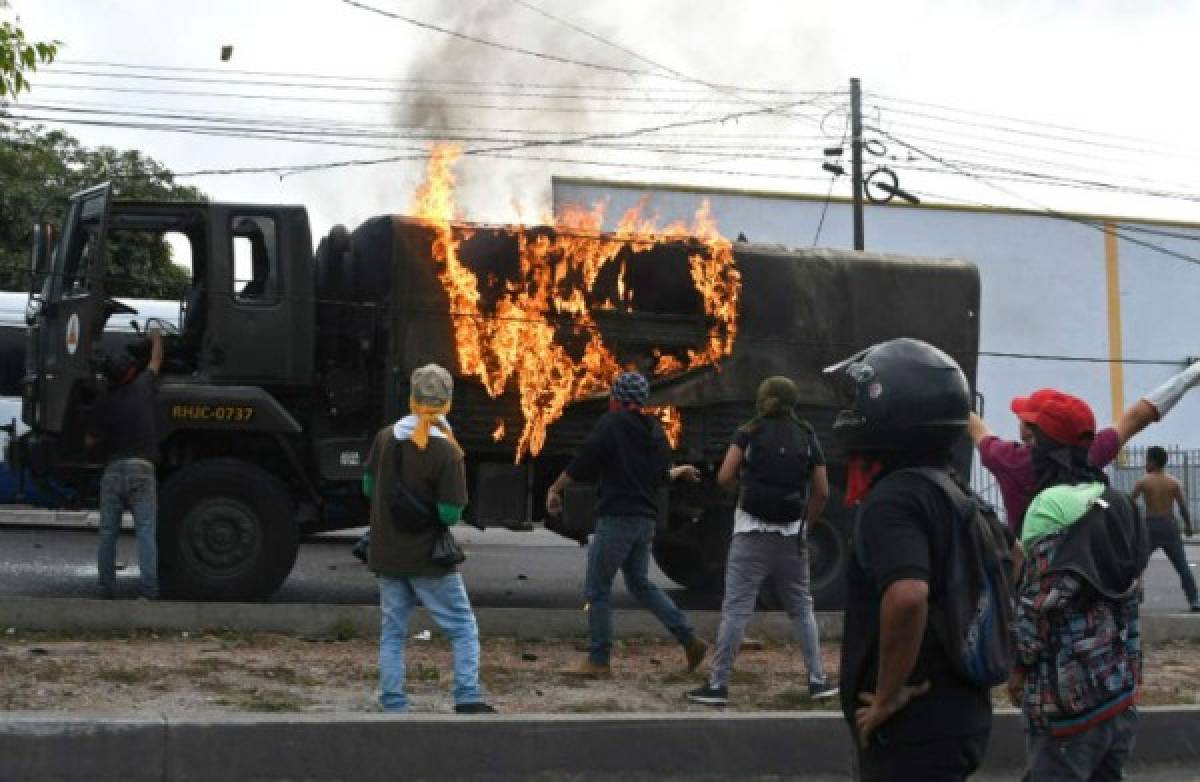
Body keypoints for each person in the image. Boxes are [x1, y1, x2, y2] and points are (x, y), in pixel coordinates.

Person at [829, 338, 994, 781]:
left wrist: (886, 695)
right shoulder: (955, 489)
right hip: (959, 711)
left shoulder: (894, 500)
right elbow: (1013, 559)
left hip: (912, 728)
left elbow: (907, 596)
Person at [1005, 390, 1148, 781]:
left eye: (1031, 441)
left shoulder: (1048, 507)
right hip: (1119, 697)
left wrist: (1017, 668)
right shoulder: (1117, 502)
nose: (1025, 450)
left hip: (1068, 710)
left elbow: (1039, 605)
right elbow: (1131, 599)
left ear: (1046, 449)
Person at [546, 370, 708, 678]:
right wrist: (682, 470)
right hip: (646, 520)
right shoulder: (655, 431)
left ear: (617, 399)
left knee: (597, 588)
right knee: (640, 584)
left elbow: (584, 460)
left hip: (618, 518)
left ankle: (598, 659)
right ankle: (689, 639)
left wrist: (555, 488)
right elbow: (660, 478)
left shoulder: (611, 424)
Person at [685, 376, 836, 706]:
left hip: (750, 535)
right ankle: (817, 680)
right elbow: (822, 491)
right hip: (791, 537)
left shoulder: (748, 431)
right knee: (801, 608)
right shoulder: (808, 435)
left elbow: (724, 476)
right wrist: (804, 525)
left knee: (737, 610)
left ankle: (718, 684)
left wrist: (744, 494)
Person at [363, 363, 494, 714]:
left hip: (387, 554)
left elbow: (369, 487)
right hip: (428, 560)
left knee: (392, 632)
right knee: (463, 628)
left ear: (412, 398)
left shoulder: (386, 437)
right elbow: (450, 513)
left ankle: (393, 701)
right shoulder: (448, 451)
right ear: (448, 401)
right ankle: (466, 695)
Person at [969, 360, 1200, 533]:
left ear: (1030, 429)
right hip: (1089, 574)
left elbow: (976, 426)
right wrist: (1188, 376)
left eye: (1022, 417)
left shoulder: (1010, 459)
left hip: (1032, 579)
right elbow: (1139, 416)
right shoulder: (1090, 454)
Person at [85, 328, 163, 600]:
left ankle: (105, 589)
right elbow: (155, 362)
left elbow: (90, 442)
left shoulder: (104, 400)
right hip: (142, 468)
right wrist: (156, 338)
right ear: (130, 372)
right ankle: (149, 591)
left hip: (114, 470)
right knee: (145, 531)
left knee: (108, 532)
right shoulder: (143, 387)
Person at [1132, 446, 1199, 612]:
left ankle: (1136, 592)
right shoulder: (1173, 482)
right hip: (1169, 526)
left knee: (1137, 563)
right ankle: (1194, 600)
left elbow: (1128, 501)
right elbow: (1183, 507)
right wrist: (1188, 527)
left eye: (1147, 459)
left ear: (1153, 462)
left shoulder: (1143, 481)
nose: (1145, 463)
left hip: (1150, 527)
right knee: (1182, 566)